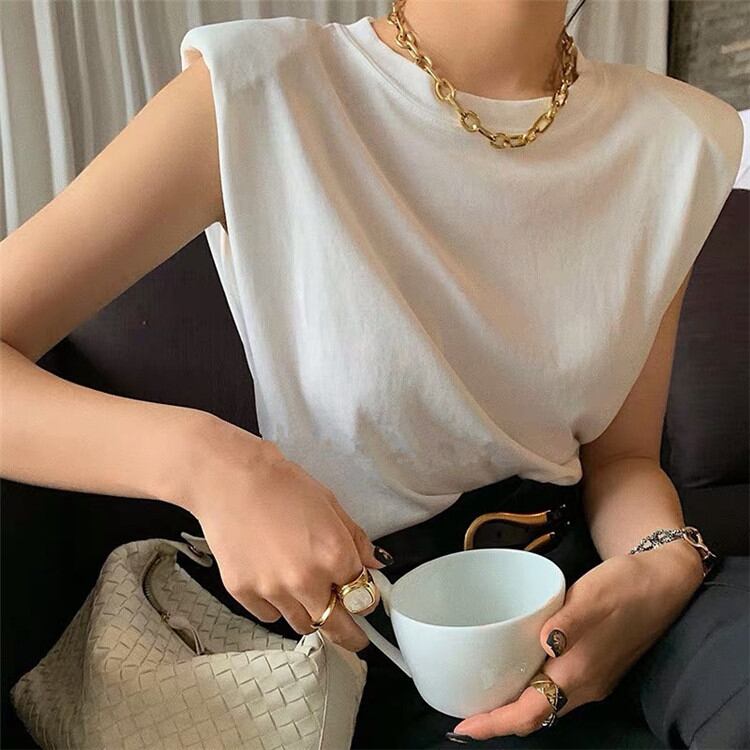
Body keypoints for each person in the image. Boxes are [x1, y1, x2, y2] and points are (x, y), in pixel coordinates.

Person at [0, 0, 746, 747]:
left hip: (591, 589)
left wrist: (664, 562)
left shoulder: (676, 139)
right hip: (379, 641)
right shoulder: (260, 92)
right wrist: (210, 464)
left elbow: (622, 460)